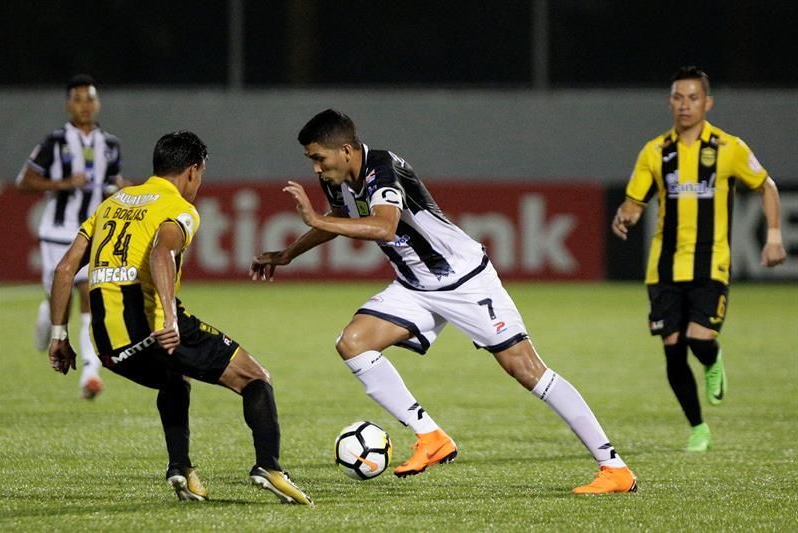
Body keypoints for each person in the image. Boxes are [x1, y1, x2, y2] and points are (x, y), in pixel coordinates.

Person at [251, 109, 637, 494]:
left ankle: (614, 468)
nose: (316, 169)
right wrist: (288, 254)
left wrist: (315, 220)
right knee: (353, 343)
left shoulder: (381, 168)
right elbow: (340, 215)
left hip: (463, 280)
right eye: (311, 160)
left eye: (319, 158)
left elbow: (384, 225)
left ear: (348, 150)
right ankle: (431, 437)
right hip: (415, 286)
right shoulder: (339, 179)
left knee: (526, 369)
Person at [48, 131, 313, 505]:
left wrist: (59, 336)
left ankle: (181, 469)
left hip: (108, 344)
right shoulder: (178, 209)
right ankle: (269, 467)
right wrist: (170, 319)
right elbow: (161, 254)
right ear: (192, 170)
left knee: (175, 378)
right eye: (201, 173)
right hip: (153, 327)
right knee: (255, 378)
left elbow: (64, 270)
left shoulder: (111, 204)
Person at [611, 66, 786, 452]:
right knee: (673, 347)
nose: (685, 105)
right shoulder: (655, 151)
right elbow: (634, 201)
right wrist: (626, 214)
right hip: (664, 266)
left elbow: (767, 186)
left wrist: (774, 237)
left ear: (707, 103)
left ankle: (712, 359)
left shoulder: (728, 148)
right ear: (669, 101)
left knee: (699, 340)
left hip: (711, 262)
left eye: (693, 98)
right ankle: (698, 428)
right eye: (678, 97)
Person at [17, 74, 127, 400]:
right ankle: (45, 312)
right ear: (69, 104)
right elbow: (25, 182)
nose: (85, 105)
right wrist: (64, 184)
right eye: (78, 99)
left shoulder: (110, 144)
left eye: (90, 98)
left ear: (97, 103)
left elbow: (113, 181)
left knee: (90, 297)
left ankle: (90, 373)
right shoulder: (54, 143)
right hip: (56, 234)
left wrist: (125, 191)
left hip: (92, 234)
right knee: (58, 302)